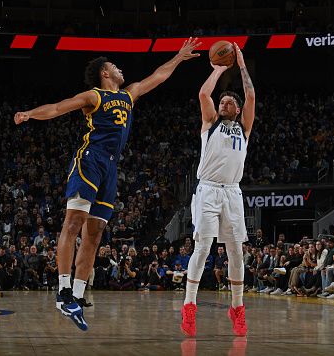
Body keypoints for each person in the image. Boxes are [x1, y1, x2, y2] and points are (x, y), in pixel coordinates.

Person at [14, 38, 201, 330]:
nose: (119, 68)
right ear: (104, 73)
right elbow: (58, 107)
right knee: (73, 222)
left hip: (111, 167)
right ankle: (62, 291)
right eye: (114, 66)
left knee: (95, 232)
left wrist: (178, 57)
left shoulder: (128, 95)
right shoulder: (94, 96)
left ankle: (76, 296)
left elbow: (158, 76)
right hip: (90, 160)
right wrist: (29, 114)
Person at [180, 43, 255, 338]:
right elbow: (203, 94)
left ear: (236, 110)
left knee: (236, 250)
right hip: (208, 190)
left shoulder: (244, 127)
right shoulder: (210, 124)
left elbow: (250, 95)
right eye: (221, 101)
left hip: (233, 192)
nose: (223, 103)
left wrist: (242, 64)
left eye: (228, 103)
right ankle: (189, 305)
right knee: (204, 246)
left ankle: (237, 308)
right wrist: (220, 69)